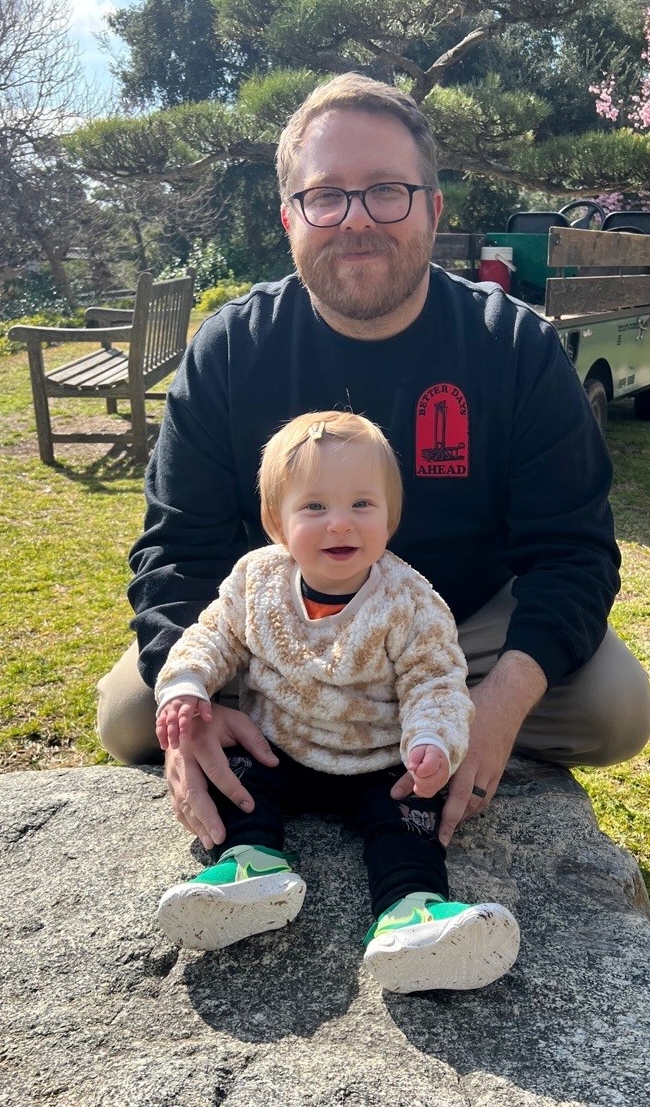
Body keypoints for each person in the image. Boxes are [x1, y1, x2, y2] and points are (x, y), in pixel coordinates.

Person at [97, 71, 650, 858]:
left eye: (386, 191)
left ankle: (404, 716)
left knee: (614, 708)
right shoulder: (230, 350)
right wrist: (186, 694)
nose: (356, 221)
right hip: (280, 626)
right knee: (130, 714)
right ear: (289, 216)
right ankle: (319, 715)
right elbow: (174, 548)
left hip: (456, 626)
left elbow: (574, 551)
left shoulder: (515, 347)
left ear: (433, 206)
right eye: (326, 196)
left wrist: (491, 714)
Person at [153, 410, 520, 994]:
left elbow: (437, 683)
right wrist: (186, 686)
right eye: (315, 507)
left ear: (391, 518)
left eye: (362, 505)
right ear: (277, 522)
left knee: (408, 820)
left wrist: (432, 743)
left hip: (377, 760)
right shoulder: (256, 581)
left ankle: (413, 916)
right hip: (279, 745)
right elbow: (213, 635)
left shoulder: (410, 603)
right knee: (240, 783)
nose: (340, 524)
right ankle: (250, 873)